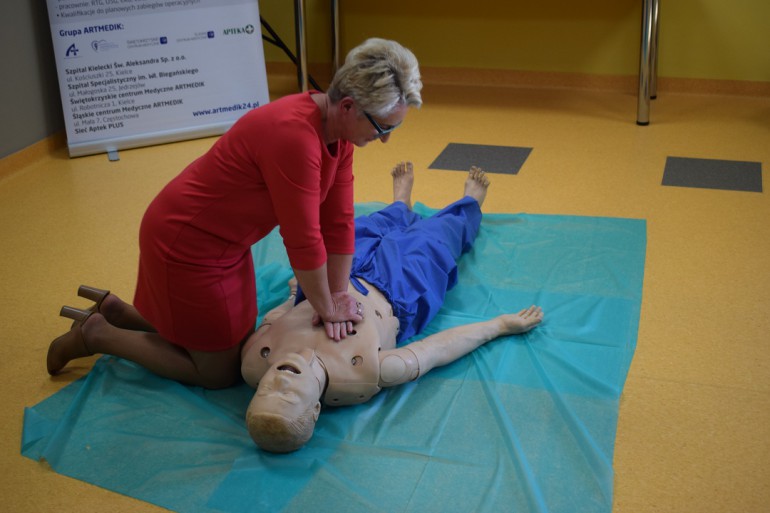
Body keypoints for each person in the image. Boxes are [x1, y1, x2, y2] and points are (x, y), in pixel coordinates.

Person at [46, 38, 423, 389]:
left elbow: (337, 222)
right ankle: (97, 333)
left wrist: (337, 295)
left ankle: (118, 312)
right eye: (382, 126)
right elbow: (303, 239)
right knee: (219, 372)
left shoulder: (340, 134)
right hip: (187, 242)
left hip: (226, 244)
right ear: (348, 106)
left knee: (240, 344)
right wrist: (326, 308)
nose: (386, 138)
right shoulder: (294, 136)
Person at [241, 162, 544, 453]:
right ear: (316, 408)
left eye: (266, 391)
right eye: (289, 396)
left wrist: (294, 294)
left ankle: (400, 204)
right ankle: (469, 205)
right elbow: (435, 350)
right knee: (435, 240)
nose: (280, 381)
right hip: (398, 291)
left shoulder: (254, 357)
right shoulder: (362, 374)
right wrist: (498, 326)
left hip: (333, 278)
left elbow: (275, 319)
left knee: (362, 228)